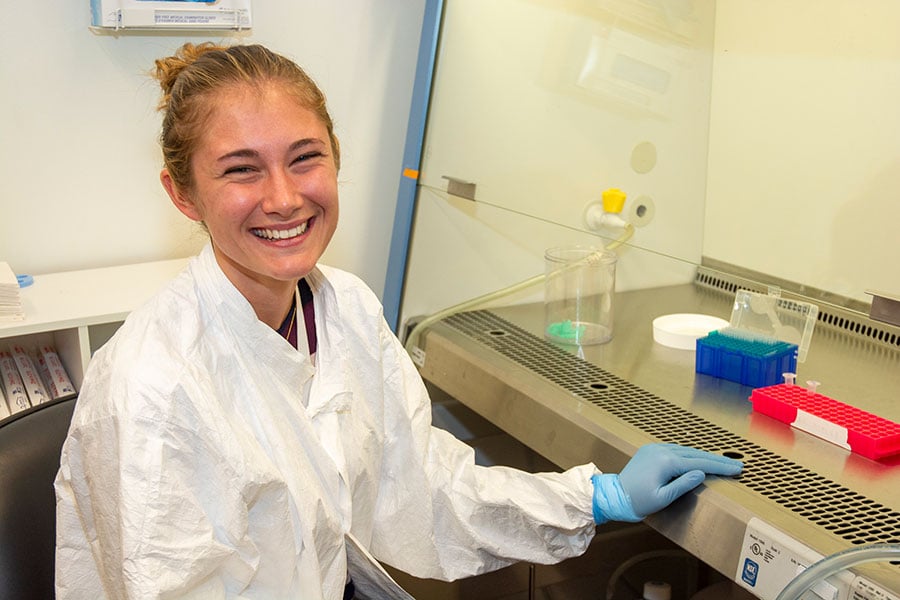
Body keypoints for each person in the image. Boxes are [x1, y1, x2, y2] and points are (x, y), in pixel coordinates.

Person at [54, 42, 742, 599]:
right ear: (183, 194)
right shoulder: (154, 388)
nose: (284, 198)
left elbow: (422, 487)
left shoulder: (344, 307)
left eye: (305, 158)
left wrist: (595, 497)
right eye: (241, 170)